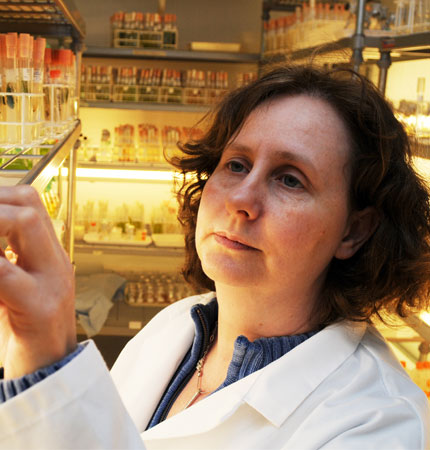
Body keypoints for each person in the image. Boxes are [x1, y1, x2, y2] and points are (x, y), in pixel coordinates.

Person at [0, 63, 429, 449]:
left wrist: (52, 364)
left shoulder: (379, 425)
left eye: (290, 180)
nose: (241, 198)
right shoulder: (175, 329)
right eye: (237, 165)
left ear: (354, 230)